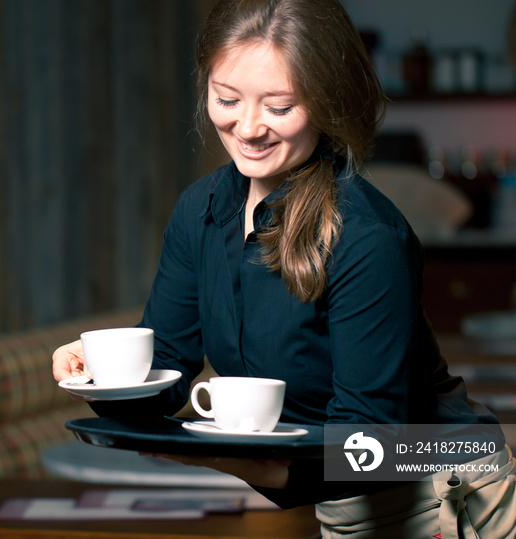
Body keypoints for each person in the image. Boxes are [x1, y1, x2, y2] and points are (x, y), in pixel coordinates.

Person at [53, 0, 516, 536]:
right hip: (341, 501)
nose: (247, 128)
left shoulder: (367, 236)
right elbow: (171, 367)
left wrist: (222, 458)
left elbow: (370, 444)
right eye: (226, 98)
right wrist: (103, 379)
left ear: (328, 102)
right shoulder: (200, 212)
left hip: (444, 489)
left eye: (279, 106)